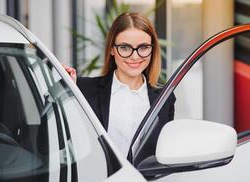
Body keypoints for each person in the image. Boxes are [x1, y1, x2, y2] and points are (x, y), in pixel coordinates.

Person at [64, 12, 175, 162]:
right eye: (124, 48)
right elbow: (49, 143)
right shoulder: (83, 89)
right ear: (112, 49)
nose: (135, 57)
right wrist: (60, 91)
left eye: (143, 47)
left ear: (152, 49)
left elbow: (165, 155)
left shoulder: (165, 97)